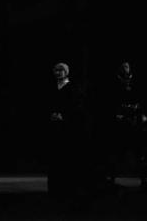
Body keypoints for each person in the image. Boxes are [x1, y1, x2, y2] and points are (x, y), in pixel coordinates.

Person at [47, 62, 89, 198]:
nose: (58, 72)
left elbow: (78, 108)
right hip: (54, 128)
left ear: (66, 72)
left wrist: (63, 116)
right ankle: (55, 189)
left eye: (61, 70)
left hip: (68, 128)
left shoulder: (73, 88)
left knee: (67, 158)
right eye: (56, 70)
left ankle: (68, 189)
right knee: (54, 159)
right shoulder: (53, 88)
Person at [107, 61, 147, 189]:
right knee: (118, 152)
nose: (125, 68)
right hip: (122, 124)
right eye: (123, 66)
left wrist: (141, 113)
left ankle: (143, 180)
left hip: (135, 123)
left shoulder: (135, 82)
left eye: (127, 66)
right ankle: (112, 178)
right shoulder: (115, 83)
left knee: (140, 153)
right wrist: (117, 114)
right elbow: (112, 101)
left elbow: (142, 99)